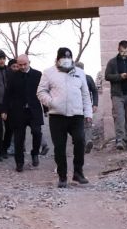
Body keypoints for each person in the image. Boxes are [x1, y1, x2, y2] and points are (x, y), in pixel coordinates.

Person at [37, 47, 93, 188]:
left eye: (69, 57)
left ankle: (78, 172)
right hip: (57, 116)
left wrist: (88, 113)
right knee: (59, 147)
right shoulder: (49, 73)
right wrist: (51, 102)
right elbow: (41, 91)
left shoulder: (79, 73)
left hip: (77, 115)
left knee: (80, 141)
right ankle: (62, 176)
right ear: (57, 59)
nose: (66, 60)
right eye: (63, 58)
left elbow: (85, 94)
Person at [3, 54, 44, 172]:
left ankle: (35, 153)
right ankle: (19, 162)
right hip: (18, 111)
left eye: (24, 64)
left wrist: (47, 108)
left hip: (34, 110)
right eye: (20, 65)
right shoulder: (13, 76)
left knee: (37, 132)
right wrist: (4, 110)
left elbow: (43, 92)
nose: (22, 67)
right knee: (19, 138)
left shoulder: (38, 75)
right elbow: (8, 94)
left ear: (29, 62)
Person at [75, 61, 98, 154]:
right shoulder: (87, 78)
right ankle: (86, 141)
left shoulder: (86, 78)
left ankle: (86, 142)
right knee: (86, 124)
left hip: (81, 106)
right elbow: (95, 91)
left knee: (83, 125)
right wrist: (95, 104)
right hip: (83, 105)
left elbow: (94, 91)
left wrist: (95, 104)